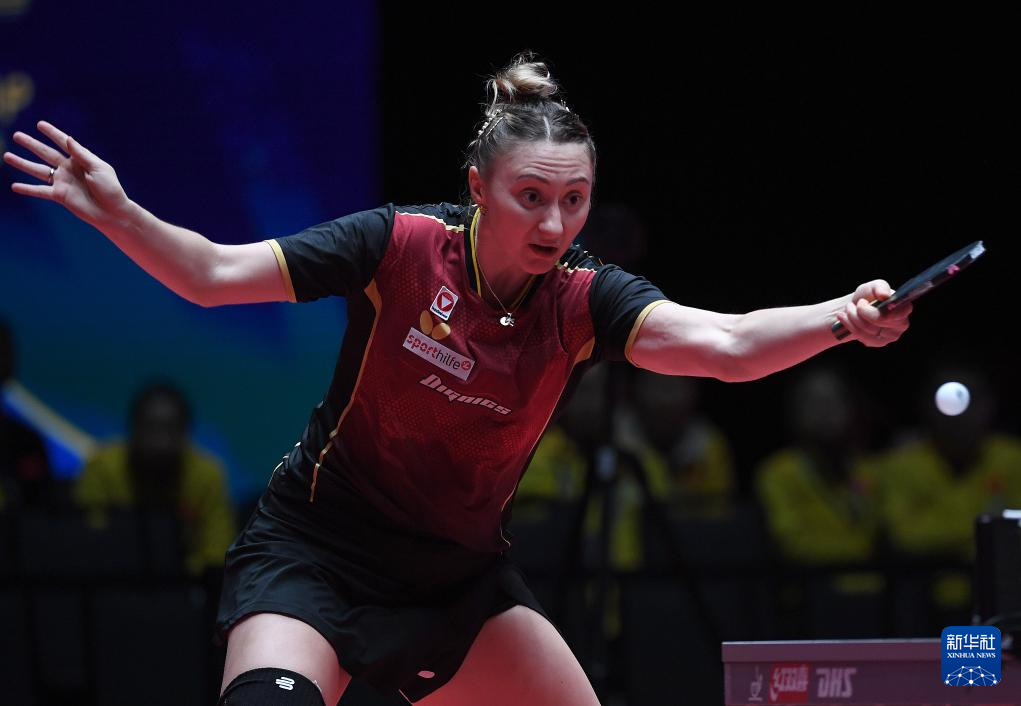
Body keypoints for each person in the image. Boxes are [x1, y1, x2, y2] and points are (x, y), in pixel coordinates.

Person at [4, 52, 912, 706]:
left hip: (455, 584)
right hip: (315, 554)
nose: (554, 223)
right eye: (531, 197)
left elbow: (728, 344)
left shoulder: (583, 301)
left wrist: (842, 316)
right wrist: (118, 214)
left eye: (574, 200)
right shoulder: (397, 246)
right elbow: (210, 275)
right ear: (477, 186)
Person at [74, 380, 236, 576]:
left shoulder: (207, 475)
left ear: (185, 433)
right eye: (150, 428)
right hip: (110, 580)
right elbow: (84, 540)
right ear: (132, 428)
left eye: (170, 429)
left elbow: (217, 555)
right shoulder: (102, 467)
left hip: (184, 586)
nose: (160, 441)